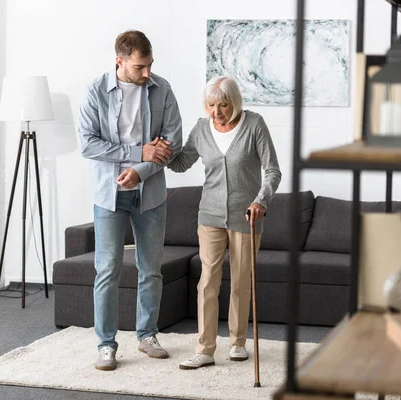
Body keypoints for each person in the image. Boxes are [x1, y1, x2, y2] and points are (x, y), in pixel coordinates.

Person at [77, 30, 182, 371]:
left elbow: (172, 144)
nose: (147, 73)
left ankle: (147, 335)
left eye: (150, 64)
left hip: (149, 194)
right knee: (106, 270)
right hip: (109, 196)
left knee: (150, 270)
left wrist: (140, 170)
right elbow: (88, 144)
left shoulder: (161, 89)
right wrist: (139, 150)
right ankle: (106, 344)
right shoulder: (95, 91)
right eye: (140, 67)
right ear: (119, 61)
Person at [165, 76, 281, 370]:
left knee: (241, 282)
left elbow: (272, 170)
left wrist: (260, 201)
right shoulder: (202, 129)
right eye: (212, 105)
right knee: (208, 282)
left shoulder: (254, 125)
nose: (217, 112)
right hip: (210, 216)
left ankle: (238, 342)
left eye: (224, 105)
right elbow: (181, 163)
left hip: (246, 217)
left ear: (235, 102)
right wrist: (161, 151)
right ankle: (204, 348)